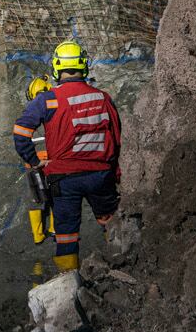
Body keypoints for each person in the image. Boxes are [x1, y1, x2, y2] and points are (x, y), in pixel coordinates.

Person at [11, 41, 120, 273]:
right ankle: (123, 267)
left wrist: (34, 161)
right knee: (112, 223)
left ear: (56, 67)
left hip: (63, 179)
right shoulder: (103, 97)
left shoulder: (48, 99)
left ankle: (67, 290)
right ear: (84, 65)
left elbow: (21, 133)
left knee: (66, 235)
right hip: (100, 175)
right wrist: (116, 173)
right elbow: (117, 138)